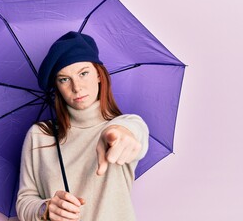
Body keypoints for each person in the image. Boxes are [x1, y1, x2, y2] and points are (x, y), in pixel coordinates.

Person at [16, 31, 149, 221]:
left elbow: (134, 130)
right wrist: (45, 209)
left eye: (83, 73)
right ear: (57, 87)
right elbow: (24, 201)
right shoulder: (39, 135)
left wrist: (120, 134)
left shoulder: (122, 126)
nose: (76, 87)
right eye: (64, 79)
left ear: (99, 75)